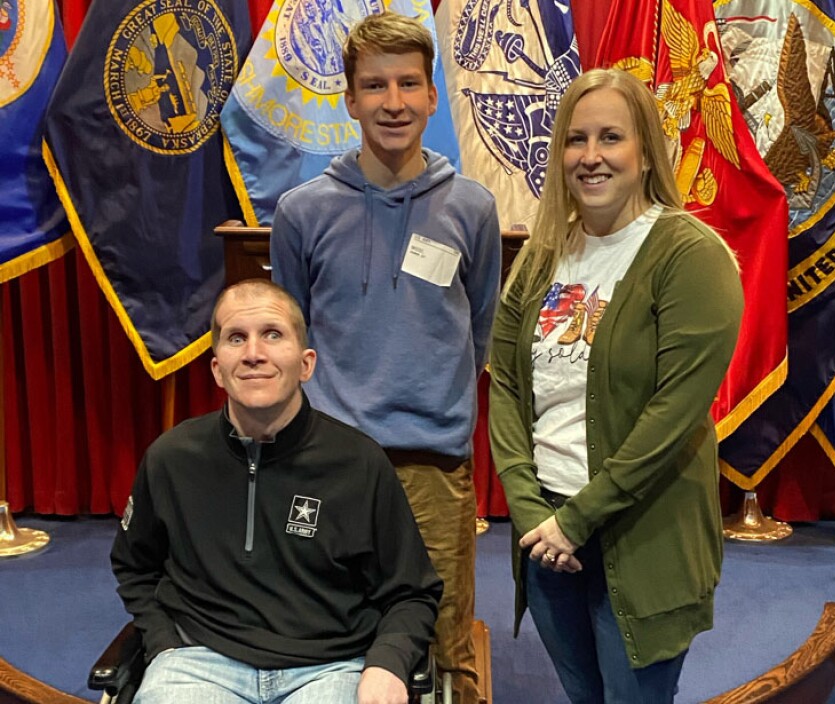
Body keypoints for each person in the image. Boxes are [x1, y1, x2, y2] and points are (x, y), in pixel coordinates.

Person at [488, 68, 744, 704]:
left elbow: (674, 415)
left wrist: (579, 520)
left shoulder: (690, 255)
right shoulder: (544, 252)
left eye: (611, 137)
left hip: (642, 534)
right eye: (576, 139)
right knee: (583, 695)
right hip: (547, 535)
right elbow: (506, 390)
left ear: (645, 151)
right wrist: (532, 513)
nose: (591, 156)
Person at [270, 12, 501, 704]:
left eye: (408, 84)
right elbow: (292, 335)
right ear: (349, 99)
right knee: (330, 624)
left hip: (433, 460)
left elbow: (479, 325)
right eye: (374, 86)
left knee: (440, 635)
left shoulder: (472, 207)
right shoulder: (301, 212)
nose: (393, 102)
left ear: (433, 97)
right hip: (330, 459)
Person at [111, 279, 442, 704]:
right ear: (217, 368)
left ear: (306, 363)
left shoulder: (360, 463)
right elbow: (135, 566)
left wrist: (388, 663)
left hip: (330, 667)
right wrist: (162, 645)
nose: (253, 354)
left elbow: (412, 591)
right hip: (198, 662)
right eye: (235, 338)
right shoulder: (170, 458)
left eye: (272, 334)